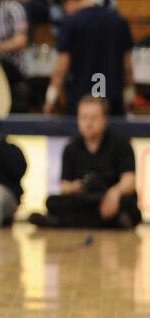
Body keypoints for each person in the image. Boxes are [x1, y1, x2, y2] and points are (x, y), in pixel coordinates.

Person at [30, 96, 140, 230]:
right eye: (83, 118)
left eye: (93, 118)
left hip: (108, 196)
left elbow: (129, 181)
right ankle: (110, 222)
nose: (88, 123)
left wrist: (114, 193)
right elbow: (64, 186)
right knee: (52, 201)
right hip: (85, 198)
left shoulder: (121, 143)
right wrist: (75, 187)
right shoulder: (71, 147)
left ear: (104, 120)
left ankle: (63, 222)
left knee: (128, 203)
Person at [45, 0, 134, 117]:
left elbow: (61, 67)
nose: (66, 12)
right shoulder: (119, 21)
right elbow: (127, 66)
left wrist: (50, 99)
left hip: (82, 103)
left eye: (65, 8)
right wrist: (130, 96)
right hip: (112, 99)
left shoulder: (71, 23)